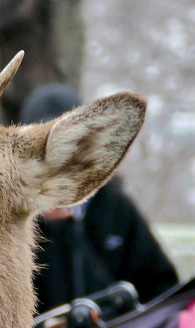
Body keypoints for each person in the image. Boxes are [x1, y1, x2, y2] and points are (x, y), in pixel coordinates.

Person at [20, 83, 178, 313]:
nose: (56, 157)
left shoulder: (115, 206)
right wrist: (54, 228)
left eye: (65, 143)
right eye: (44, 147)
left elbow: (162, 289)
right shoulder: (14, 216)